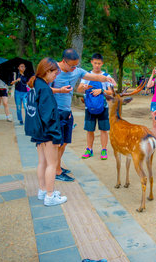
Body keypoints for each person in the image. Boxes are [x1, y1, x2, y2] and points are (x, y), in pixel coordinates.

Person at [51, 49, 116, 182]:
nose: (74, 69)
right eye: (72, 66)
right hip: (55, 111)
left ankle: (58, 167)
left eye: (76, 65)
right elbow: (42, 88)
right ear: (64, 61)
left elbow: (95, 77)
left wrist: (106, 78)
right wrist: (59, 90)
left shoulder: (77, 71)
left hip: (66, 112)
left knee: (63, 143)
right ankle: (56, 170)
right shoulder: (53, 70)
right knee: (57, 143)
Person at [26, 57, 67, 206]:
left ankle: (43, 190)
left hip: (38, 130)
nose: (55, 77)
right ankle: (50, 195)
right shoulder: (45, 89)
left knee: (42, 162)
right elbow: (48, 115)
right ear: (47, 71)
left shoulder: (35, 84)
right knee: (51, 163)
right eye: (55, 74)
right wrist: (56, 135)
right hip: (47, 131)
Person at [79, 53, 114, 160]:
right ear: (91, 62)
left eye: (99, 63)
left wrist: (102, 90)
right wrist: (83, 87)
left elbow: (111, 92)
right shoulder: (86, 75)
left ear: (102, 63)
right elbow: (79, 89)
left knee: (103, 130)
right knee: (90, 130)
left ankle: (104, 149)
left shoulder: (107, 76)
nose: (97, 65)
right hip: (89, 107)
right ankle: (89, 149)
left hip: (103, 106)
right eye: (95, 63)